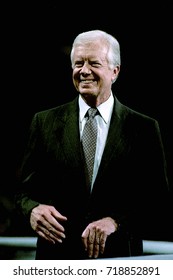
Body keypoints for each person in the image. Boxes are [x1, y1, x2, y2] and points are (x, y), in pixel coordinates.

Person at [15, 29, 170, 260]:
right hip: (56, 262)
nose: (84, 71)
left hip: (118, 261)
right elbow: (22, 194)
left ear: (114, 72)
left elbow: (158, 202)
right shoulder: (43, 122)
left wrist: (116, 222)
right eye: (78, 63)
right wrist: (32, 210)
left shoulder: (143, 129)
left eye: (94, 63)